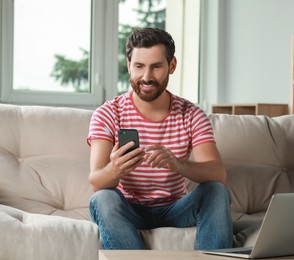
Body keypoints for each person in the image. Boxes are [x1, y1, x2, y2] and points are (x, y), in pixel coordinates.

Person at [87, 27, 233, 250]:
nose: (146, 77)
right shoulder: (108, 113)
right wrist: (115, 169)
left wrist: (177, 164)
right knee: (103, 199)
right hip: (129, 209)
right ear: (129, 65)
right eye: (139, 66)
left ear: (171, 65)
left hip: (175, 209)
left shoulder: (191, 114)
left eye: (156, 67)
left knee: (216, 191)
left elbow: (218, 174)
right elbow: (96, 181)